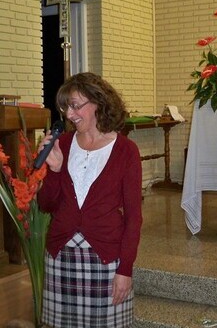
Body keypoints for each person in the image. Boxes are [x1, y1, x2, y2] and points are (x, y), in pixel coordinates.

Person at [37, 72, 142, 328]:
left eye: (75, 105)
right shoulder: (62, 143)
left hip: (105, 257)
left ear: (98, 102)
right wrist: (55, 170)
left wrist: (125, 269)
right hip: (62, 254)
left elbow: (133, 217)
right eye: (66, 108)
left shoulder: (126, 150)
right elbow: (45, 205)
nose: (70, 114)